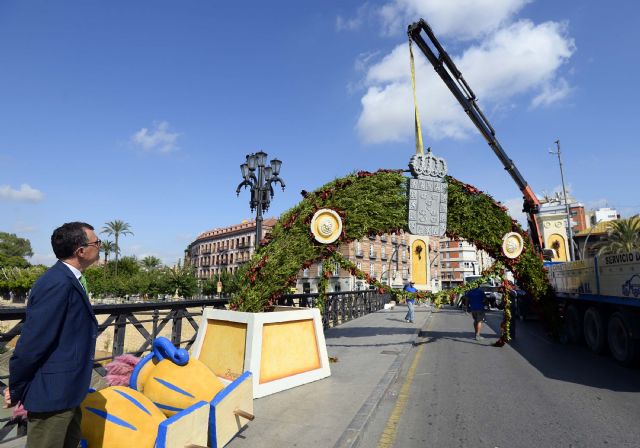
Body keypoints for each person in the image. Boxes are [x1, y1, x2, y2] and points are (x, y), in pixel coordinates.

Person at [4, 222, 100, 448]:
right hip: (52, 395)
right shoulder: (57, 283)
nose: (100, 247)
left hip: (67, 391)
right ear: (81, 251)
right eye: (97, 243)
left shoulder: (68, 279)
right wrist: (15, 386)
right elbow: (32, 343)